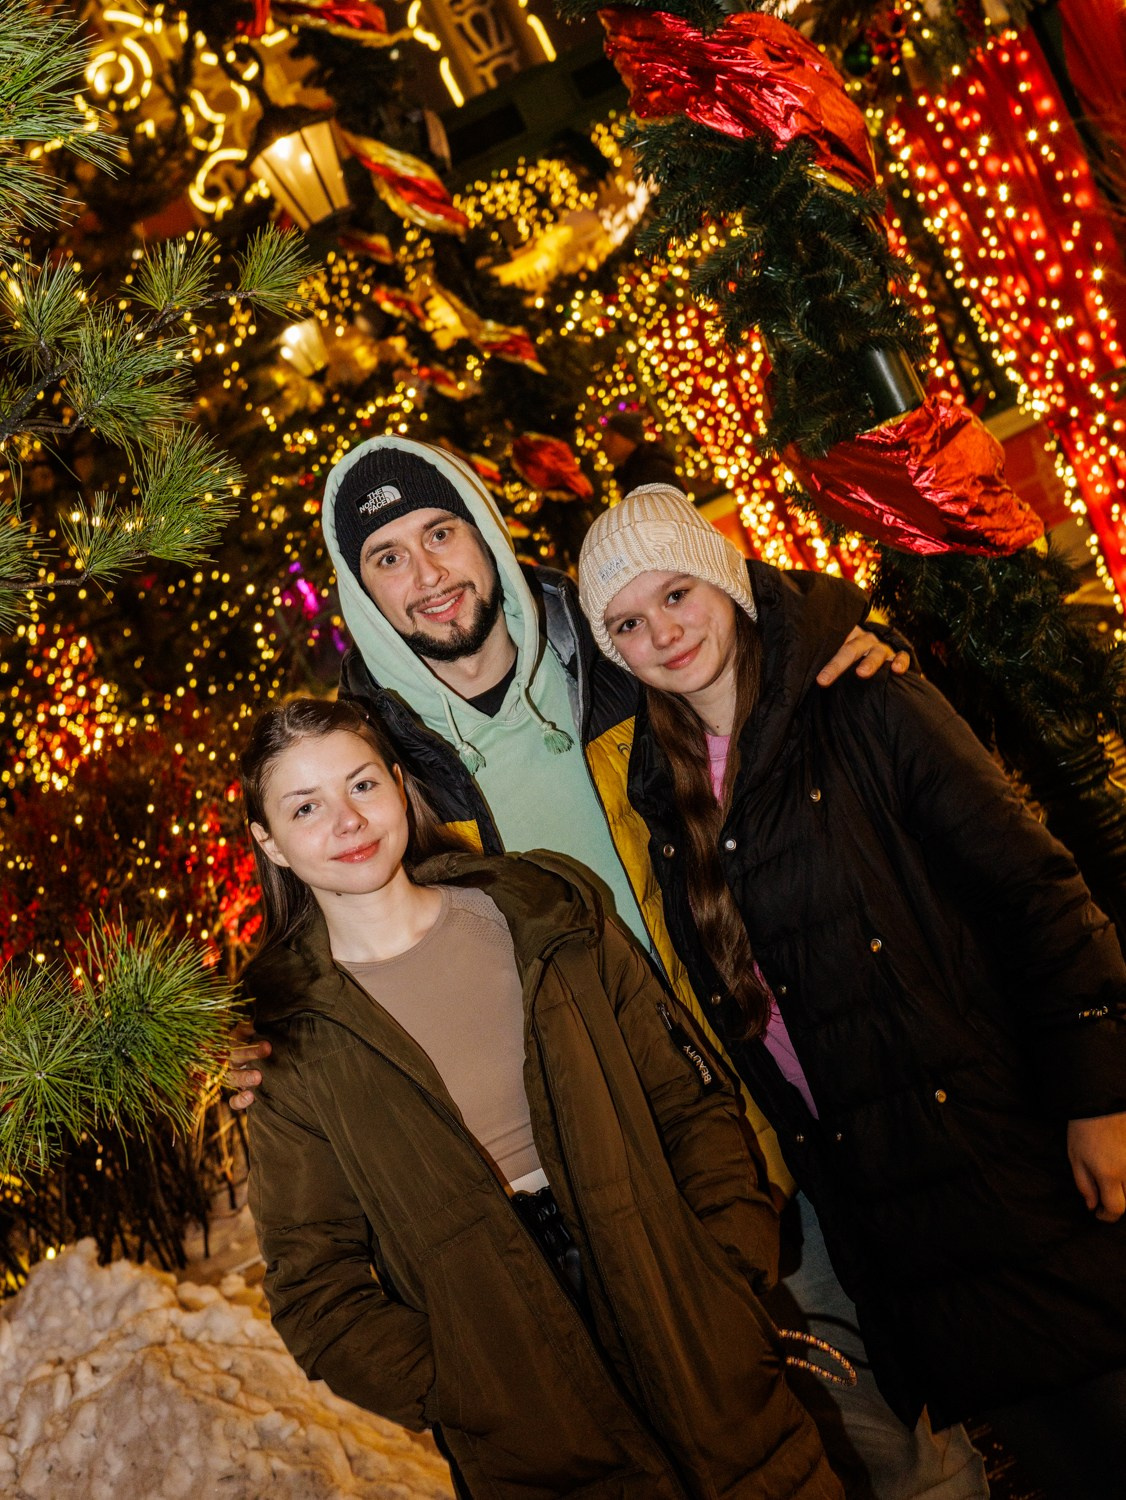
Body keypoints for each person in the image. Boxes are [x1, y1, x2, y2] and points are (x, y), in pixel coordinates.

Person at [229, 436, 991, 1499]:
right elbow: (335, 923)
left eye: (441, 532)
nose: (429, 572)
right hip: (610, 1177)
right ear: (360, 588)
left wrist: (834, 629)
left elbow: (734, 629)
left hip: (767, 1111)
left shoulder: (617, 654)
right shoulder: (382, 755)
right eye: (388, 557)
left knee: (898, 1442)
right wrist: (269, 1048)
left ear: (487, 530)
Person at [577, 483, 1126, 1500]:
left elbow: (1031, 888)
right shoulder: (664, 792)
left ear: (726, 583)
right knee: (1054, 1457)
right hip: (893, 1198)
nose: (661, 631)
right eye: (626, 621)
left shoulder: (862, 697)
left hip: (1006, 1148)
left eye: (676, 596)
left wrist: (1099, 1093)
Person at [239, 695, 843, 1499]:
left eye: (361, 785)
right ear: (269, 844)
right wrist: (464, 1387)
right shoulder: (290, 1039)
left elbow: (690, 1104)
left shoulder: (545, 910)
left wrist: (723, 1269)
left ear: (398, 784)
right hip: (533, 1441)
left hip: (701, 1347)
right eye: (305, 807)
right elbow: (316, 1288)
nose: (346, 821)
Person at [600, 408, 681, 491]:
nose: (605, 442)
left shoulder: (652, 471)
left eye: (611, 436)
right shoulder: (632, 474)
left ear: (628, 437)